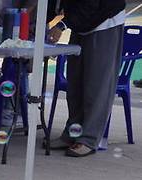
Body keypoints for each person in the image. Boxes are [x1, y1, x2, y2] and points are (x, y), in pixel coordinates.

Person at [47, 0, 126, 157]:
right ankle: (72, 133)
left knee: (96, 86)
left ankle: (89, 139)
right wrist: (43, 19)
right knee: (75, 83)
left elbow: (90, 5)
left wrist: (62, 25)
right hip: (81, 24)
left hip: (104, 21)